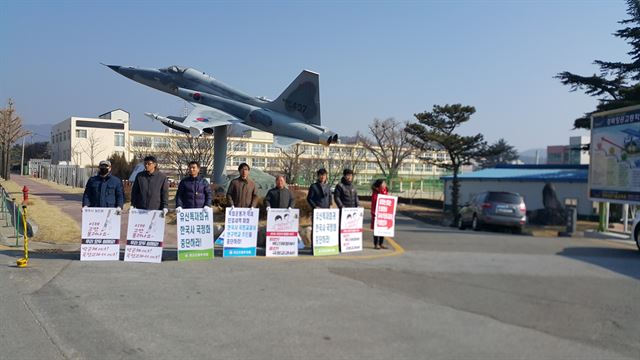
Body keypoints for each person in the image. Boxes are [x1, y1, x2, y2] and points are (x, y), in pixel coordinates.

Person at [371, 178, 388, 250]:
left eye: (385, 183)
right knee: (377, 229)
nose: (385, 184)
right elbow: (375, 202)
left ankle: (381, 243)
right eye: (383, 183)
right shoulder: (376, 193)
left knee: (382, 229)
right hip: (376, 213)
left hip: (384, 213)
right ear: (379, 185)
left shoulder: (385, 191)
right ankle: (376, 244)